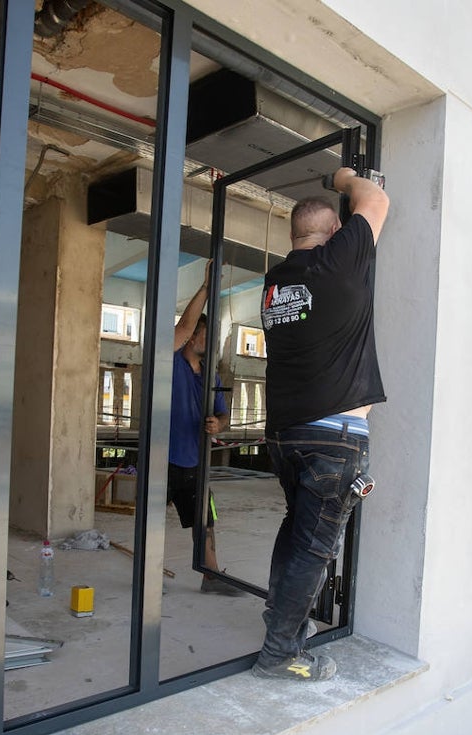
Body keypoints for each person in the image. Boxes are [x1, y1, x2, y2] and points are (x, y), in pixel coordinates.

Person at [253, 166, 389, 680]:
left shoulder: (274, 282)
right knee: (314, 547)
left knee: (295, 533)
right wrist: (346, 176)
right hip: (334, 439)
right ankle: (281, 652)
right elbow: (374, 202)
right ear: (336, 233)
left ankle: (279, 622)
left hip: (287, 434)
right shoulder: (339, 262)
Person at [168, 269, 243, 595]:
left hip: (195, 462)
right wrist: (205, 286)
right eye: (205, 334)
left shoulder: (209, 374)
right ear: (192, 336)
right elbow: (183, 326)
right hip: (164, 458)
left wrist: (218, 425)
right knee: (150, 520)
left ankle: (210, 576)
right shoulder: (168, 361)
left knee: (205, 519)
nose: (209, 341)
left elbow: (223, 416)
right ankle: (146, 576)